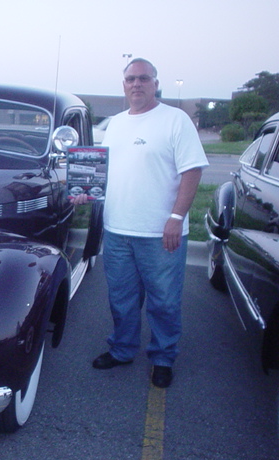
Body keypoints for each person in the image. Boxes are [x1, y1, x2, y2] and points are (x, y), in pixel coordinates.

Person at [76, 58, 209, 388]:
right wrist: (84, 192)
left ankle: (163, 357)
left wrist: (176, 218)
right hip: (118, 229)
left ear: (155, 83)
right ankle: (122, 349)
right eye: (131, 79)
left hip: (160, 233)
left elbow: (192, 171)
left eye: (144, 78)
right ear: (123, 85)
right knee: (121, 299)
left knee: (164, 301)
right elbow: (102, 172)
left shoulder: (175, 121)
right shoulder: (116, 124)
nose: (137, 84)